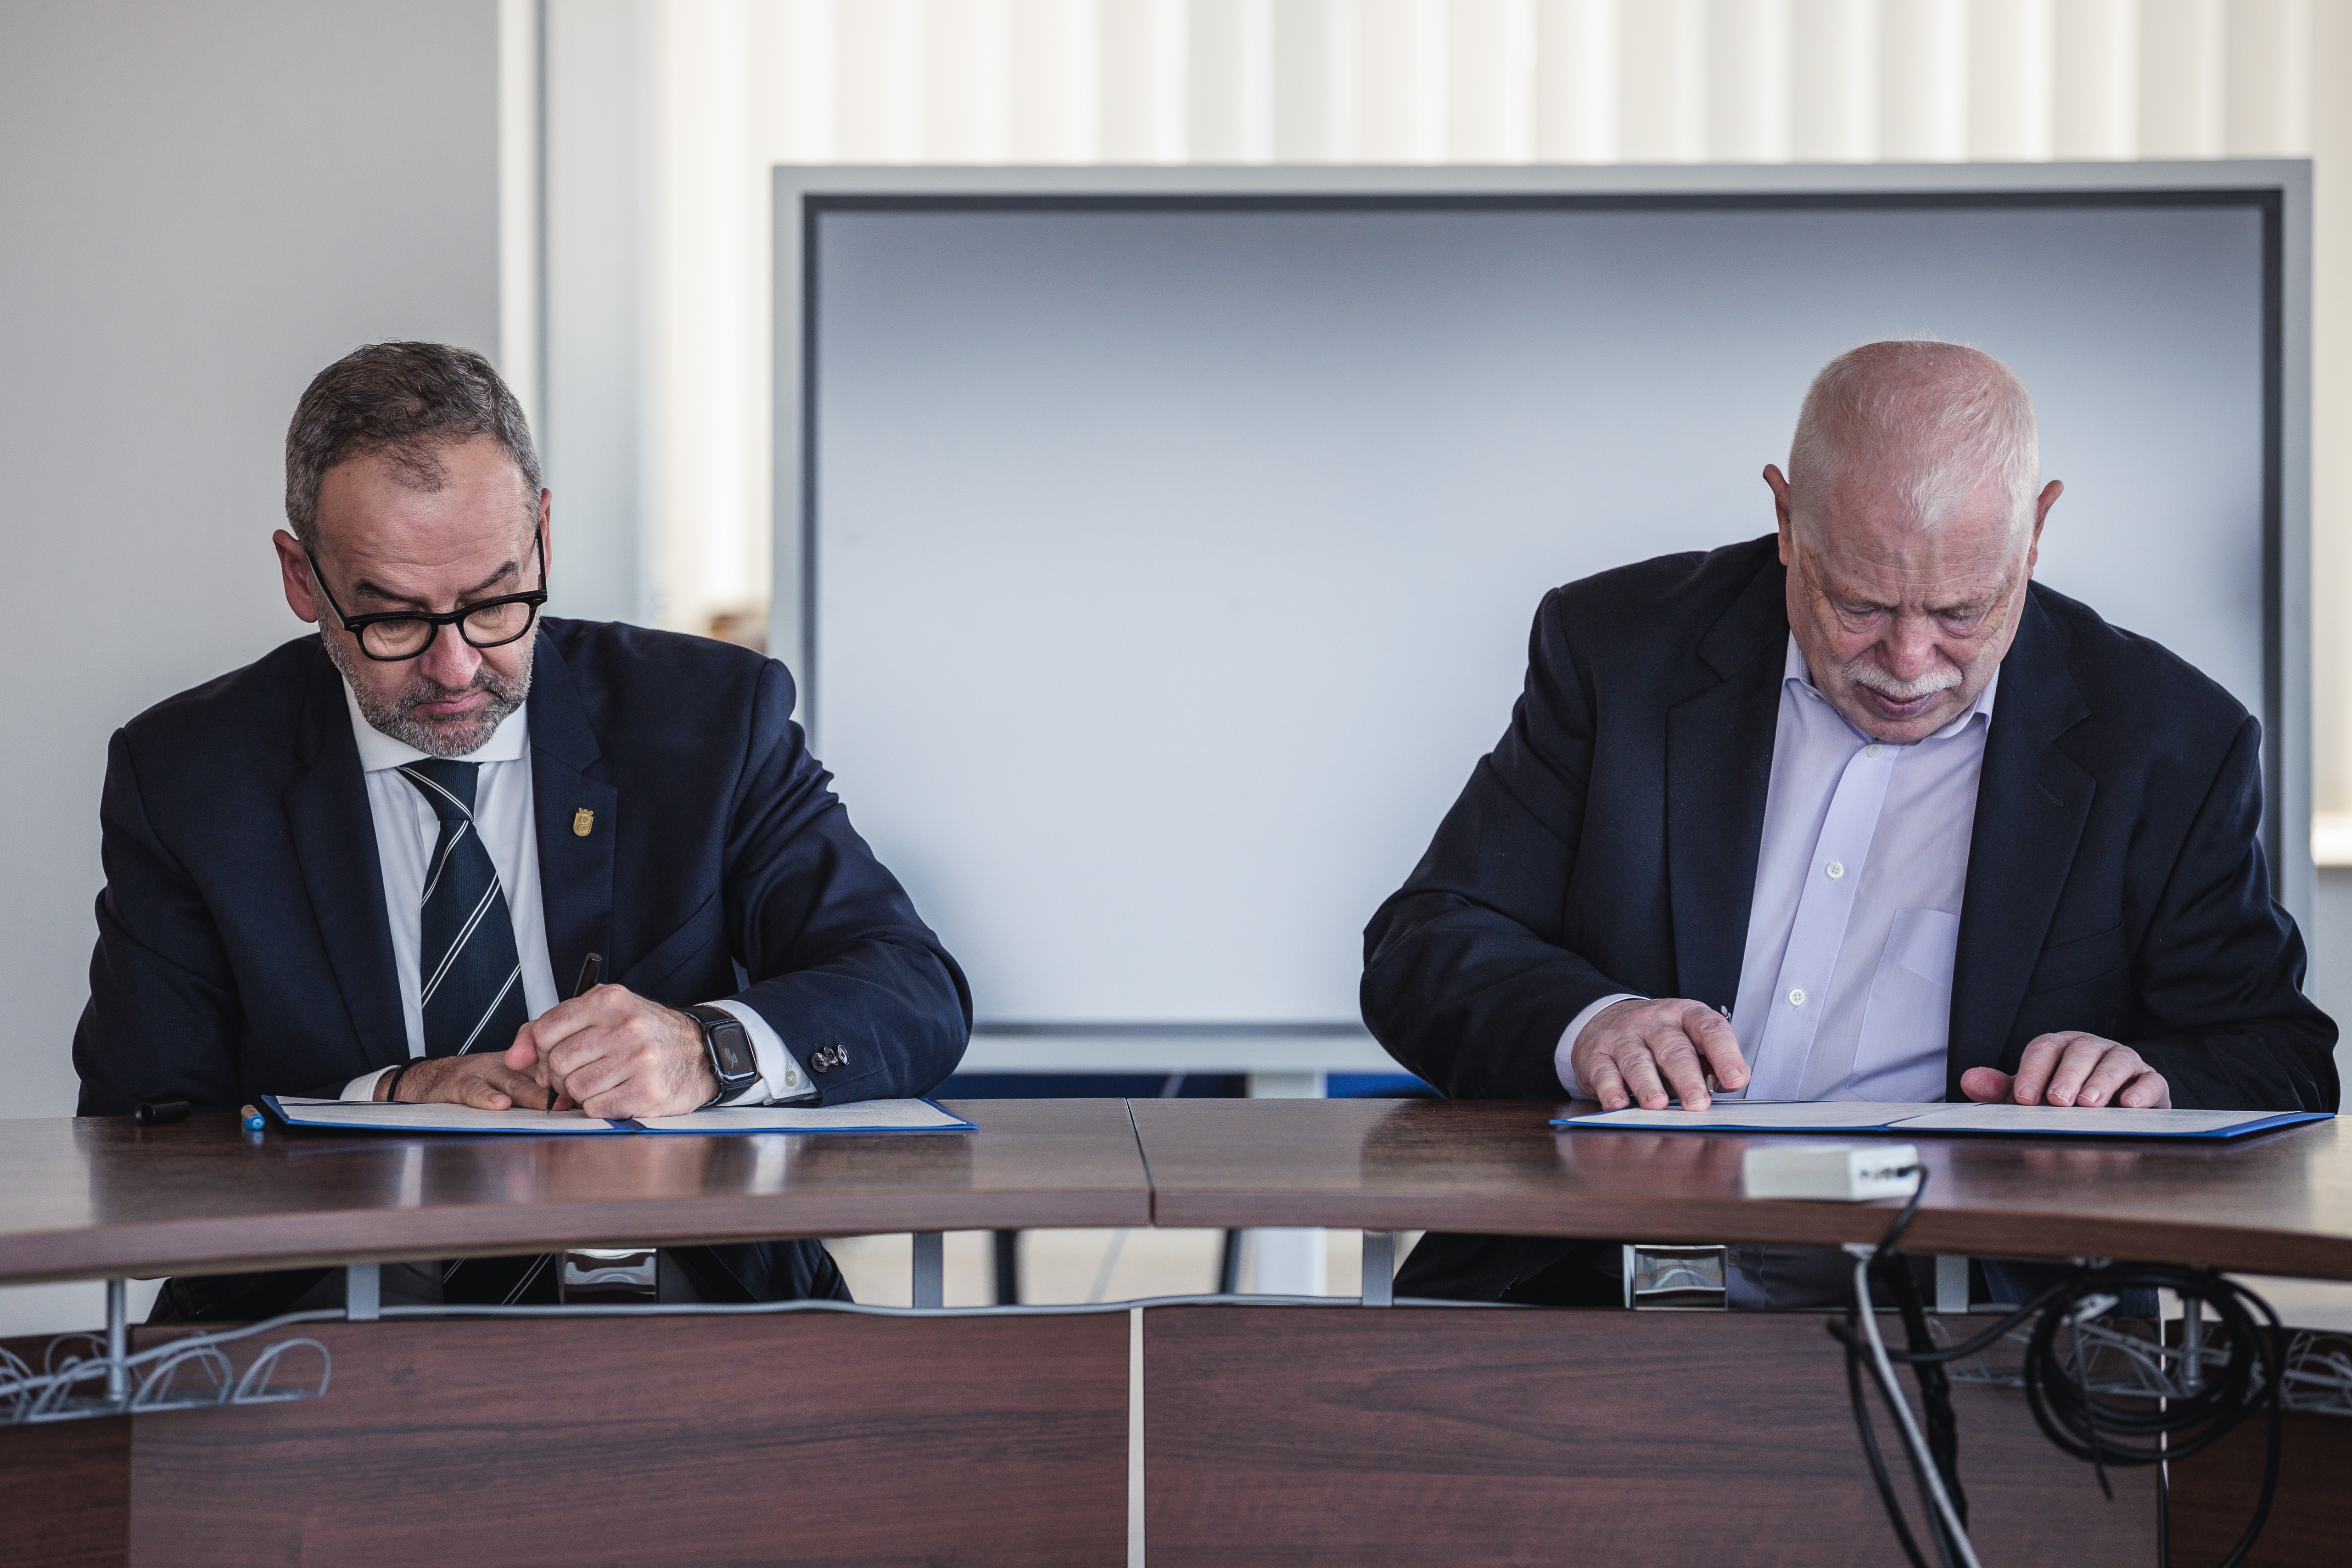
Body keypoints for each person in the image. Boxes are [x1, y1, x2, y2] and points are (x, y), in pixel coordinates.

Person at [1362, 340, 2337, 1308]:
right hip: (1594, 1293)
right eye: (1861, 606)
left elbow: (2279, 1057)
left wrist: (2148, 1083)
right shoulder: (1619, 651)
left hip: (1978, 1331)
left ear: (2035, 533)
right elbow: (1425, 945)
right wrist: (1592, 1027)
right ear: (1787, 520)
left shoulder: (2167, 740)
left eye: (1963, 612)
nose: (1910, 663)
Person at [75, 342, 970, 1316]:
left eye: (495, 602)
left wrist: (707, 1051)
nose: (457, 668)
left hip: (691, 1300)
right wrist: (384, 1101)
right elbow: (138, 1144)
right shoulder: (189, 775)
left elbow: (910, 991)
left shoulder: (710, 719)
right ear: (303, 579)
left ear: (542, 536)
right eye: (394, 620)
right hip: (326, 1317)